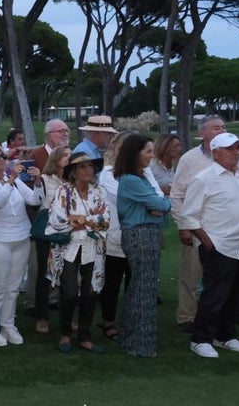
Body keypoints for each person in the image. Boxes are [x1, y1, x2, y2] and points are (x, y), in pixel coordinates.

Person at [179, 133, 239, 359]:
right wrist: (207, 242)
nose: (236, 152)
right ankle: (200, 339)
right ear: (216, 152)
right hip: (220, 246)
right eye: (230, 148)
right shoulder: (204, 178)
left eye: (237, 148)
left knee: (236, 293)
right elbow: (189, 216)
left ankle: (225, 335)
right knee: (214, 295)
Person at [0, 143, 41, 347]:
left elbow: (34, 200)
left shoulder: (12, 181)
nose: (2, 159)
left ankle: (8, 324)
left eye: (3, 156)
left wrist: (37, 181)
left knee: (12, 287)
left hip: (20, 236)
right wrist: (11, 180)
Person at [114, 134, 172, 358]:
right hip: (141, 235)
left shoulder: (139, 178)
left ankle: (131, 338)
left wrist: (158, 207)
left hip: (145, 232)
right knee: (144, 289)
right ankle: (141, 343)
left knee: (139, 286)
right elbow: (161, 203)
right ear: (134, 153)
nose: (151, 156)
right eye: (147, 151)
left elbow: (158, 206)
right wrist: (159, 205)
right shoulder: (132, 180)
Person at [45, 152, 109, 353]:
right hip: (68, 248)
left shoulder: (99, 191)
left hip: (93, 248)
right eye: (82, 166)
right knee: (70, 292)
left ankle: (84, 335)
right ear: (73, 172)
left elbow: (105, 220)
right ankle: (65, 334)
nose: (88, 170)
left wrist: (79, 220)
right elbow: (58, 220)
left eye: (90, 166)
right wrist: (89, 219)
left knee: (90, 292)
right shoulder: (64, 191)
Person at [170, 115, 226, 332]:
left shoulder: (233, 157)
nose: (220, 130)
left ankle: (214, 314)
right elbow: (177, 194)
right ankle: (186, 317)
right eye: (215, 128)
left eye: (223, 127)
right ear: (203, 134)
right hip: (195, 227)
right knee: (191, 275)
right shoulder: (190, 159)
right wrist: (183, 226)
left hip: (223, 228)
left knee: (219, 276)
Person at [31, 144, 70, 333]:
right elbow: (36, 201)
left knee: (68, 274)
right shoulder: (45, 179)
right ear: (56, 159)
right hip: (47, 231)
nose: (69, 159)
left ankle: (66, 318)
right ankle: (41, 316)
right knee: (44, 274)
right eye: (65, 155)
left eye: (70, 155)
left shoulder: (73, 181)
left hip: (68, 230)